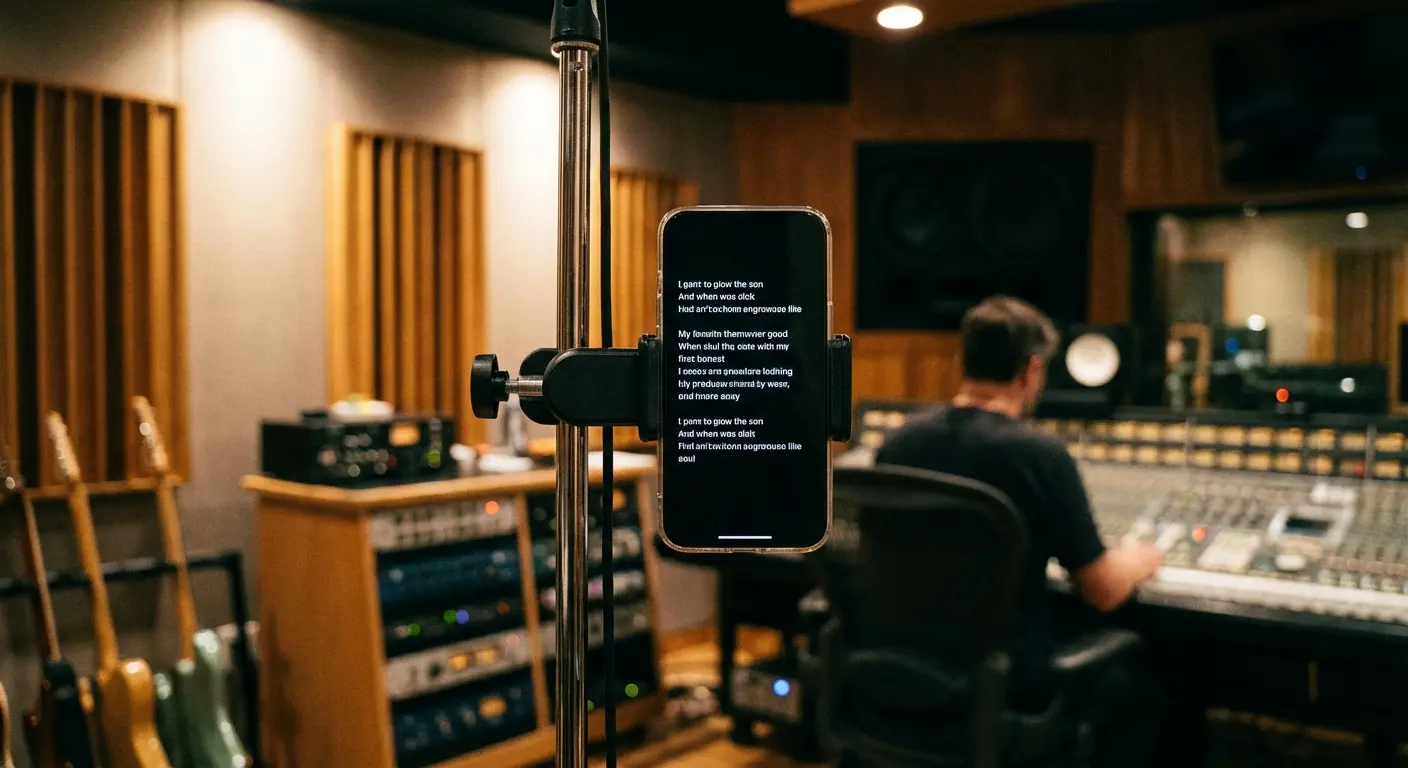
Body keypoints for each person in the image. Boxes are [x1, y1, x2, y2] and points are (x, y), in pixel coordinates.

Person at [875, 296, 1164, 766]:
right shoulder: (1039, 456)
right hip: (1007, 686)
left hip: (904, 670)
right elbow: (1104, 591)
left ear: (962, 361)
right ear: (1031, 370)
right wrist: (1141, 559)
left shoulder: (898, 443)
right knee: (1148, 684)